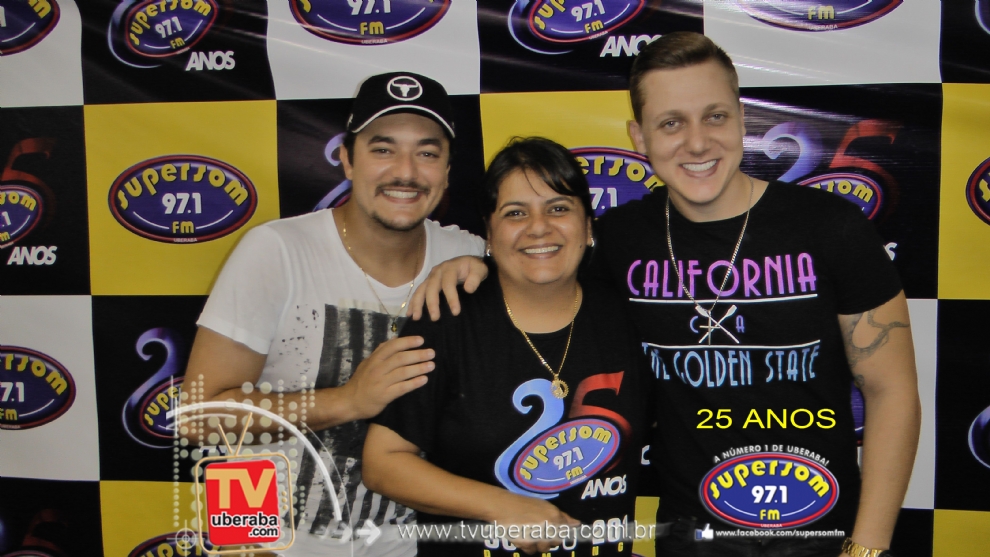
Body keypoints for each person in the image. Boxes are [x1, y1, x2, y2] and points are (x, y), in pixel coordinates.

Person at [409, 33, 921, 557]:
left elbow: (892, 392)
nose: (696, 143)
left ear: (742, 120)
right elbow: (542, 266)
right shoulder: (619, 238)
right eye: (671, 123)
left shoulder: (832, 227)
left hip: (822, 537)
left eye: (714, 116)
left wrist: (868, 548)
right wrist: (479, 263)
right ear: (639, 136)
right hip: (691, 539)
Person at [184, 72, 484, 556]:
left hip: (408, 542)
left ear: (447, 171)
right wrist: (347, 401)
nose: (405, 171)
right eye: (382, 149)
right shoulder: (276, 249)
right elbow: (200, 418)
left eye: (427, 153)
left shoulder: (467, 254)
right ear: (347, 159)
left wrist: (491, 270)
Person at [363, 138, 648, 556]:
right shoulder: (448, 316)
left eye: (558, 208)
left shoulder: (627, 313)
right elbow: (383, 462)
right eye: (515, 213)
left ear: (588, 227)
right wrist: (503, 506)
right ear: (490, 234)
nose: (538, 227)